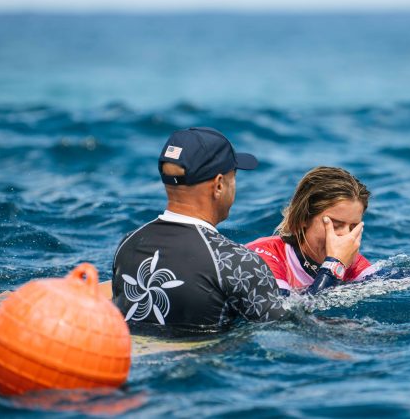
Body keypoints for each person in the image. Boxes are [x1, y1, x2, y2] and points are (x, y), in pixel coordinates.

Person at [109, 127, 291, 333]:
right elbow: (286, 332)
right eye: (234, 176)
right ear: (219, 185)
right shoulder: (238, 263)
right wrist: (329, 271)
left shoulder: (127, 245)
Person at [247, 166, 410, 294]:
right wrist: (334, 266)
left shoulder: (349, 261)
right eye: (335, 225)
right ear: (303, 219)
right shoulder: (264, 256)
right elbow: (284, 315)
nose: (346, 236)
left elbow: (395, 278)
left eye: (353, 227)